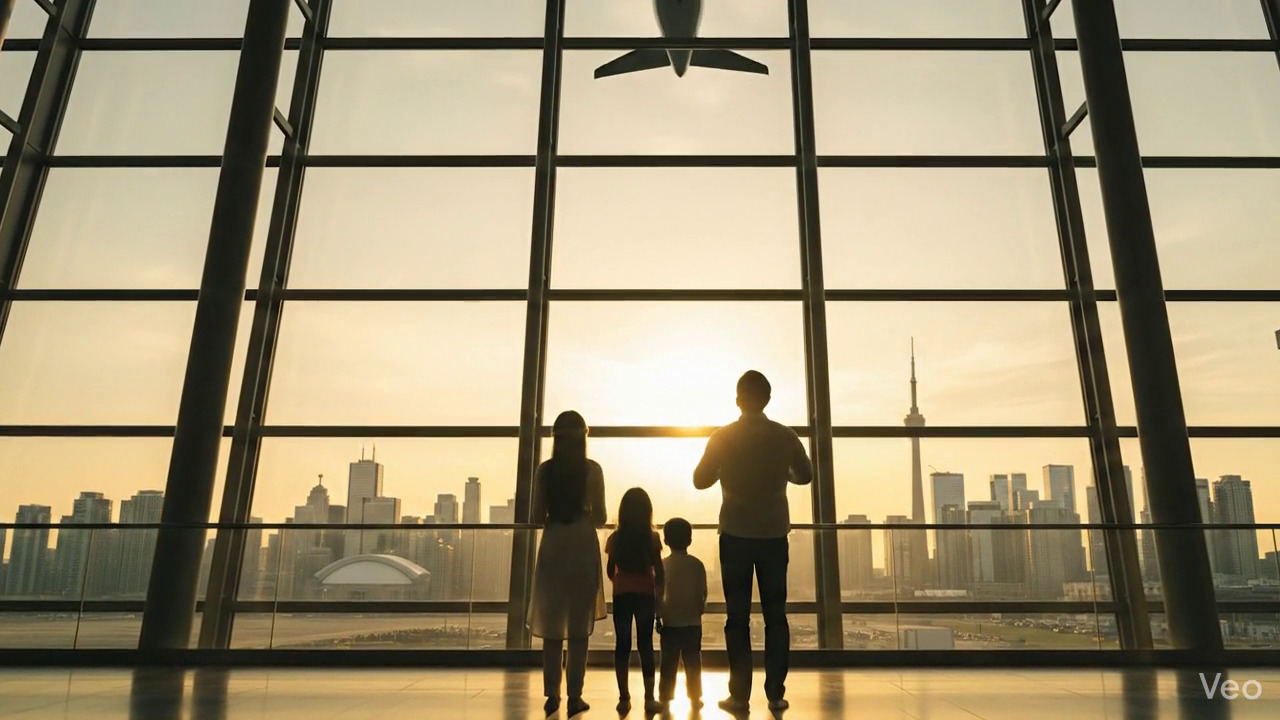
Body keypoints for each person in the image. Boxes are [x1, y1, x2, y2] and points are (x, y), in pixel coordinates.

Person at [694, 371, 812, 715]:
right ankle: (775, 693)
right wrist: (782, 474)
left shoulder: (723, 437)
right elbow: (804, 474)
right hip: (774, 535)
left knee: (737, 618)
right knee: (777, 617)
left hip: (735, 534)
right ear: (768, 399)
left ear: (737, 400)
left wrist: (725, 470)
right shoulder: (785, 436)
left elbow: (700, 479)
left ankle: (739, 695)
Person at [528, 411, 608, 718]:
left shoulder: (545, 471)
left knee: (552, 623)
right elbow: (600, 517)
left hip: (554, 544)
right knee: (577, 626)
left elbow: (536, 517)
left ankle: (552, 694)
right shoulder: (592, 470)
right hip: (582, 544)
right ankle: (576, 695)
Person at [605, 488, 665, 716]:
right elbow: (659, 570)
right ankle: (650, 698)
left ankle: (624, 698)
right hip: (645, 595)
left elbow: (611, 570)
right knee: (645, 645)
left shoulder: (616, 539)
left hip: (622, 595)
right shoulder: (652, 538)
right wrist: (658, 595)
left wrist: (620, 582)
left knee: (622, 645)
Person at [656, 517, 707, 710]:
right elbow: (702, 592)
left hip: (670, 622)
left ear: (666, 541)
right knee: (693, 661)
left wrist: (657, 616)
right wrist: (699, 611)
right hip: (692, 622)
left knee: (668, 662)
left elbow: (658, 594)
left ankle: (665, 696)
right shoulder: (697, 565)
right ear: (690, 540)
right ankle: (695, 696)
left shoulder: (662, 565)